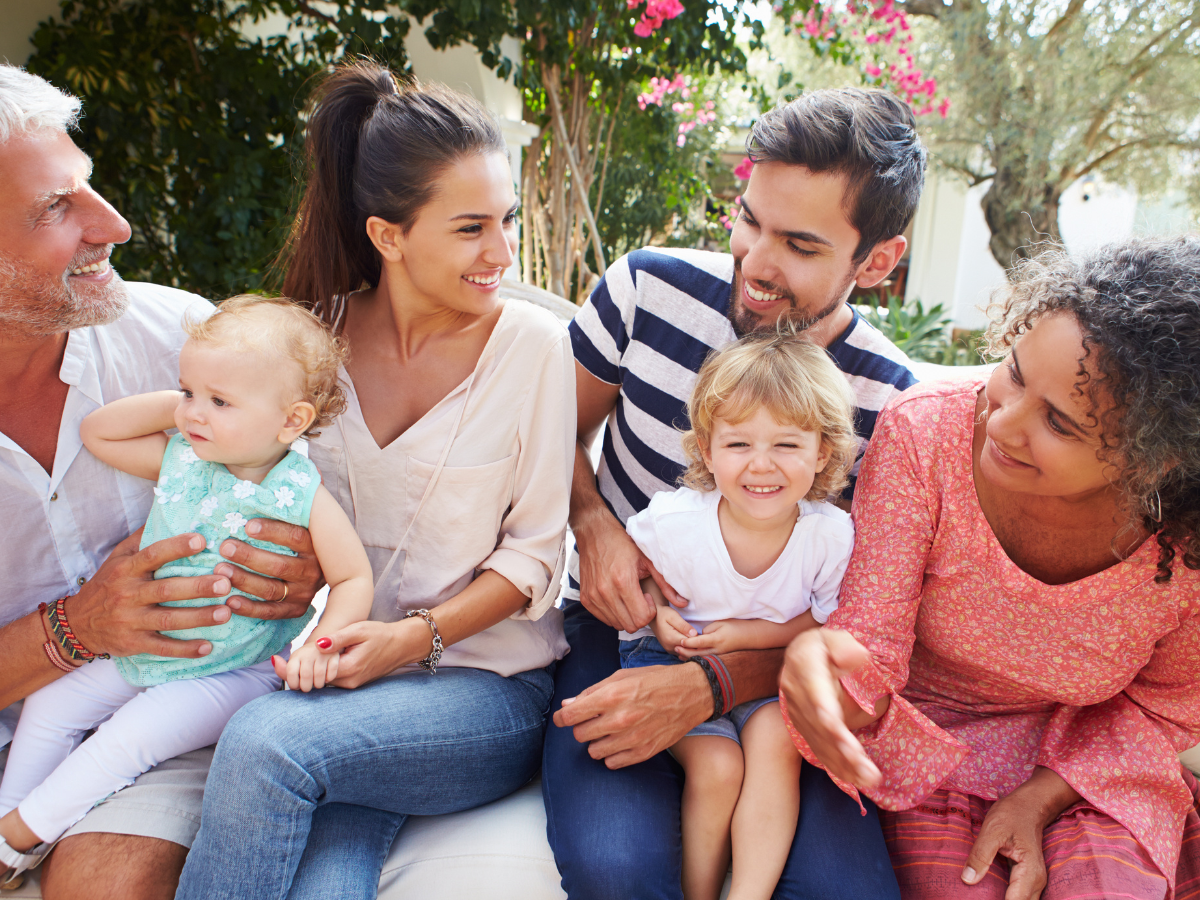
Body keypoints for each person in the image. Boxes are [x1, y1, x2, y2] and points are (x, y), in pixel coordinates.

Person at [174, 61, 575, 900]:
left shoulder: (534, 348)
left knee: (264, 744)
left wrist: (410, 639)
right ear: (389, 236)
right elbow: (254, 488)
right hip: (343, 686)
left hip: (485, 690)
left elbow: (536, 557)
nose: (502, 252)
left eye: (505, 220)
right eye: (471, 228)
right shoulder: (309, 343)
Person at [545, 88, 924, 898]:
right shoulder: (646, 291)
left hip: (781, 667)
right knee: (616, 867)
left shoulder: (896, 405)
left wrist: (713, 686)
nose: (755, 262)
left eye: (798, 243)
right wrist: (594, 523)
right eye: (749, 219)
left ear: (877, 262)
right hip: (617, 627)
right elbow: (546, 435)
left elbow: (858, 624)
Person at [781, 237, 1200, 900]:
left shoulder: (1187, 545)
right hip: (929, 747)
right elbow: (870, 645)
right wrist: (829, 679)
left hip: (1089, 765)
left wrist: (1042, 797)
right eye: (1014, 370)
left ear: (1154, 462)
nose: (1003, 422)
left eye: (1059, 423)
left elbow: (1165, 705)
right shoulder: (927, 435)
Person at [0, 66, 322, 900]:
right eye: (56, 208)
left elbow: (309, 482)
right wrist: (74, 630)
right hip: (32, 707)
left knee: (101, 887)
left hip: (185, 689)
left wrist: (304, 565)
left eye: (91, 187)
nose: (116, 224)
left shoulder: (181, 341)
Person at [0, 296, 373, 883]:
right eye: (188, 391)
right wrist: (187, 403)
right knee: (51, 703)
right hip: (148, 648)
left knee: (132, 736)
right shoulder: (184, 459)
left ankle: (19, 837)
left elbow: (352, 577)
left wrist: (317, 648)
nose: (194, 412)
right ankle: (7, 818)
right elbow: (99, 433)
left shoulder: (300, 491)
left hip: (231, 670)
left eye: (219, 401)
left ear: (292, 420)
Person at [619, 328, 858, 900]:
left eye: (786, 444)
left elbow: (825, 620)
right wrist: (656, 615)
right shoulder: (675, 521)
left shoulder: (828, 534)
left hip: (767, 664)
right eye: (738, 444)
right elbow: (637, 570)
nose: (761, 466)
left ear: (821, 451)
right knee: (720, 766)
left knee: (778, 740)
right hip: (670, 654)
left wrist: (750, 634)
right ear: (707, 450)